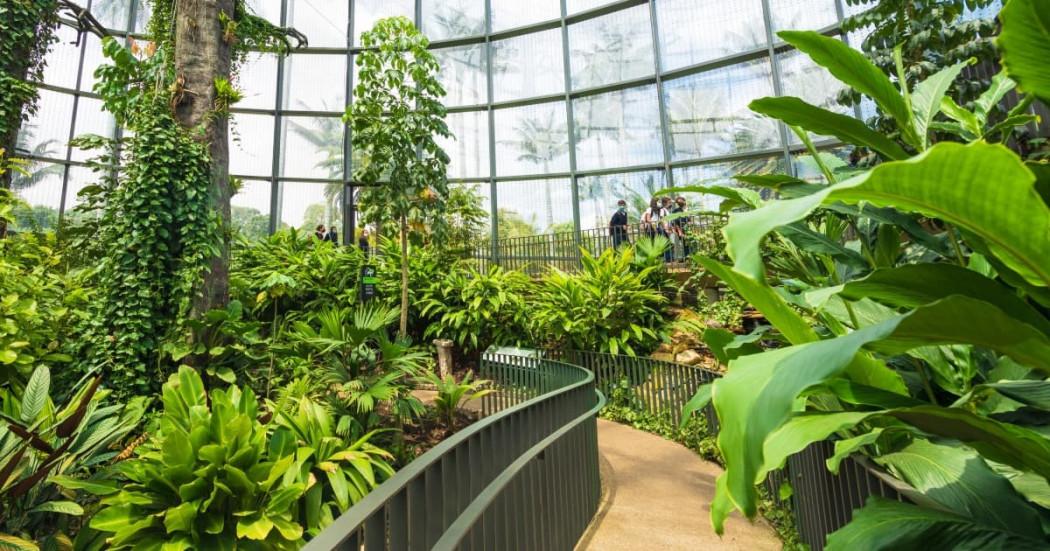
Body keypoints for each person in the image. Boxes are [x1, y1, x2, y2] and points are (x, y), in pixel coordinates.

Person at [670, 196, 689, 260]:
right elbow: (674, 222)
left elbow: (689, 220)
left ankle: (688, 257)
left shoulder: (686, 210)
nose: (679, 202)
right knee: (680, 244)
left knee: (687, 244)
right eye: (678, 201)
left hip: (687, 229)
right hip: (679, 229)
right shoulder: (675, 211)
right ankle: (681, 258)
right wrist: (679, 231)